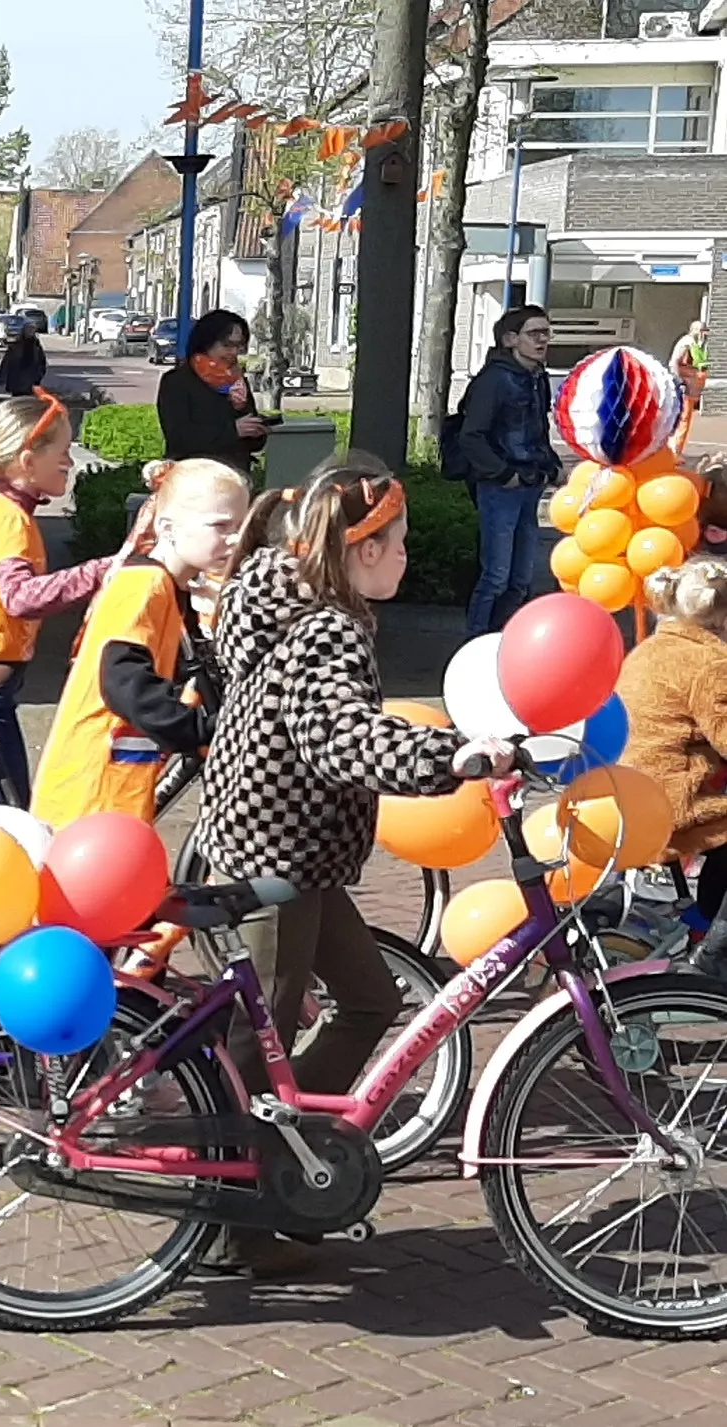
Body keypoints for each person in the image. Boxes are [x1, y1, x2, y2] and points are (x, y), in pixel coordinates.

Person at [197, 463, 511, 1274]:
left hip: (291, 846)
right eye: (398, 542)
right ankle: (232, 1210)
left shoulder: (282, 595)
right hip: (276, 855)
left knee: (370, 999)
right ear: (361, 549)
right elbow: (340, 736)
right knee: (254, 1043)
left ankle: (289, 1164)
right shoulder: (327, 626)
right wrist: (454, 755)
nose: (407, 555)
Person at [28, 459, 247, 830]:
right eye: (221, 526)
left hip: (111, 791)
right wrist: (195, 727)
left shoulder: (166, 585)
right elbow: (124, 681)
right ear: (167, 528)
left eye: (241, 527)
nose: (235, 539)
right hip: (95, 791)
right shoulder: (144, 586)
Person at [0, 393, 112, 805]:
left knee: (10, 802)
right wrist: (99, 572)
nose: (70, 462)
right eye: (63, 452)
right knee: (1, 811)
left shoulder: (2, 506)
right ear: (28, 463)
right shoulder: (11, 519)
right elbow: (20, 597)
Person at [615, 557, 727, 975]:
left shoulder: (650, 649)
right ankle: (712, 956)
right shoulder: (711, 662)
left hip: (630, 789)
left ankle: (703, 921)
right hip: (673, 800)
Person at [456, 304, 559, 636]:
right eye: (534, 333)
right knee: (496, 576)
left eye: (546, 332)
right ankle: (475, 643)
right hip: (500, 488)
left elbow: (537, 428)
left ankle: (503, 641)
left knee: (521, 578)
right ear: (510, 339)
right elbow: (471, 436)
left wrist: (551, 466)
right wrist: (503, 474)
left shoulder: (536, 378)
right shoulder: (494, 381)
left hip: (529, 485)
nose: (543, 340)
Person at [157, 311, 269, 474]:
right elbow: (178, 438)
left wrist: (256, 431)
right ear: (206, 343)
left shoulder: (236, 380)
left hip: (235, 476)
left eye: (238, 346)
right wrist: (232, 431)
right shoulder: (177, 381)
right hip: (193, 477)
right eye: (227, 345)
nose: (234, 352)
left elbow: (252, 441)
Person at [673, 320, 710, 456]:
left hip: (692, 387)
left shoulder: (695, 344)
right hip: (686, 387)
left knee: (686, 420)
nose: (703, 334)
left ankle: (677, 452)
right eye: (701, 331)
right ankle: (674, 453)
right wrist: (680, 382)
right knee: (683, 420)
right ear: (693, 330)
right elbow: (675, 363)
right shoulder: (686, 344)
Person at [0, 329, 48, 399]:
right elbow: (7, 362)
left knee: (22, 401)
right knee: (23, 401)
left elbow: (41, 364)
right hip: (23, 382)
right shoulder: (33, 348)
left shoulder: (35, 348)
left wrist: (2, 378)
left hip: (22, 383)